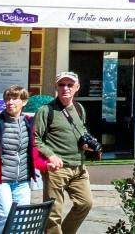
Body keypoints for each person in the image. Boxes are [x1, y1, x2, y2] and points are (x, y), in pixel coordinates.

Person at [0, 85, 47, 234]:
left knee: (20, 219)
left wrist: (46, 164)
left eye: (14, 98)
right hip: (0, 181)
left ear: (24, 101)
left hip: (22, 181)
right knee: (4, 217)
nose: (10, 102)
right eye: (7, 98)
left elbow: (33, 152)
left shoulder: (28, 122)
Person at [34, 72, 98, 234]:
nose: (66, 88)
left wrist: (86, 145)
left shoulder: (79, 108)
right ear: (56, 87)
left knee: (85, 203)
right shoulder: (45, 111)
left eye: (70, 85)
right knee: (53, 213)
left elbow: (80, 132)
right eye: (62, 85)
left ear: (77, 88)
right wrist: (51, 155)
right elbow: (35, 139)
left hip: (78, 167)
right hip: (56, 169)